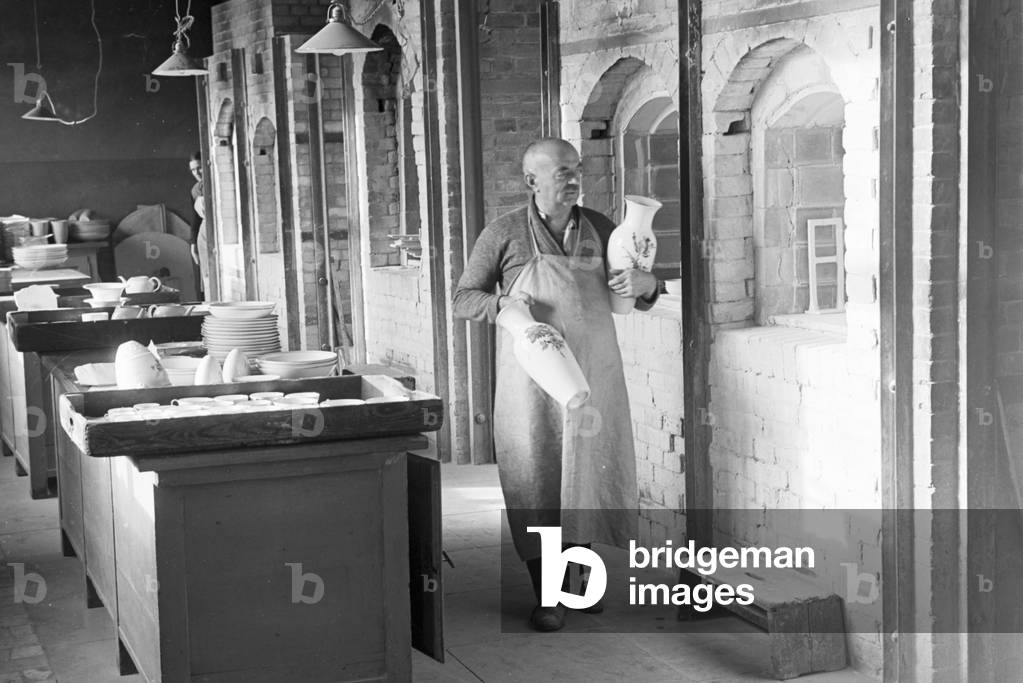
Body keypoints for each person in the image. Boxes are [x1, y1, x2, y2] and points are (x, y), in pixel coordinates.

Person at [452, 137, 660, 632]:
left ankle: (579, 586)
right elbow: (464, 297)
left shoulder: (603, 229)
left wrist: (648, 287)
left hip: (594, 375)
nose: (573, 179)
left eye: (577, 169)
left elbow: (638, 290)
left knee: (586, 478)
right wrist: (504, 308)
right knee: (537, 479)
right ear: (531, 181)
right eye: (562, 171)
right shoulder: (503, 233)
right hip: (532, 385)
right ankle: (548, 595)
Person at [188, 151, 209, 299]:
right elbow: (195, 219)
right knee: (206, 277)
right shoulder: (195, 190)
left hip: (217, 234)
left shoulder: (215, 182)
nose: (197, 173)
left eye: (199, 168)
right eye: (193, 170)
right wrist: (193, 243)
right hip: (203, 236)